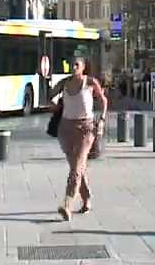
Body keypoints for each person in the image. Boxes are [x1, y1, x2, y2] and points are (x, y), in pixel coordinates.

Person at [49, 55, 108, 221]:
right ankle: (86, 196)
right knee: (77, 167)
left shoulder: (90, 82)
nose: (73, 67)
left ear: (83, 67)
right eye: (71, 65)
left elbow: (103, 100)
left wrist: (102, 119)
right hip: (66, 129)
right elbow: (50, 95)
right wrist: (54, 105)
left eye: (76, 65)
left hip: (86, 129)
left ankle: (67, 204)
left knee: (76, 168)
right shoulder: (64, 83)